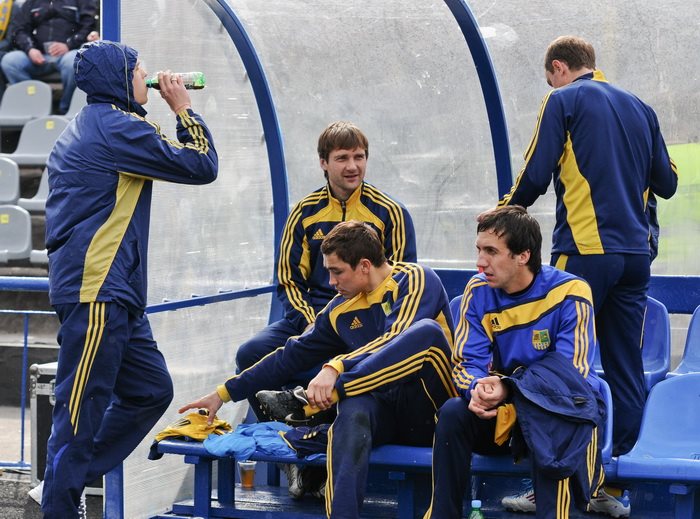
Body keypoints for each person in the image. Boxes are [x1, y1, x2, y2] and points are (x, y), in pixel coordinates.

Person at [38, 40, 218, 518]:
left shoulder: (100, 124)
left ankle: (64, 479)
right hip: (98, 290)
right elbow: (202, 164)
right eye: (140, 71)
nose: (148, 78)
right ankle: (59, 499)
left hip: (116, 291)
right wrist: (183, 109)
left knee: (150, 389)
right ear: (119, 79)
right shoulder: (116, 127)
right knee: (78, 416)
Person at [181, 221, 456, 519]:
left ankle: (310, 404)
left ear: (364, 266)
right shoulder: (340, 308)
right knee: (354, 407)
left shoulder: (415, 279)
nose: (331, 281)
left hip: (433, 412)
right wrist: (223, 393)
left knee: (425, 332)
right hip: (386, 414)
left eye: (337, 271)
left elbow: (395, 339)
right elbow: (290, 355)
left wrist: (335, 368)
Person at [498, 35, 678, 459]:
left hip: (582, 253)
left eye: (550, 80)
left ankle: (557, 464)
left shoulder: (562, 100)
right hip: (635, 257)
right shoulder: (641, 107)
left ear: (559, 68)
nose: (551, 87)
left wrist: (502, 212)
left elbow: (536, 173)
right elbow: (668, 182)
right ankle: (619, 465)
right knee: (625, 363)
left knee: (550, 357)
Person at [424, 206, 629, 519]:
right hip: (508, 411)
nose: (480, 262)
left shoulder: (571, 292)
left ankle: (572, 502)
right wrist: (478, 388)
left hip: (559, 409)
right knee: (453, 412)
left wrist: (508, 387)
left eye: (492, 251)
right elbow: (466, 364)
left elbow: (568, 377)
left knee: (556, 418)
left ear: (523, 255)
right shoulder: (478, 290)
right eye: (479, 250)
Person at [236, 121, 417, 420]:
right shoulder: (304, 212)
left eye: (359, 157)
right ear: (323, 162)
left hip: (366, 315)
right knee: (250, 353)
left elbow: (399, 279)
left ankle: (317, 430)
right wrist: (309, 321)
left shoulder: (390, 212)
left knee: (346, 359)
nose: (353, 166)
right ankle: (281, 433)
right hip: (314, 312)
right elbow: (289, 280)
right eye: (342, 158)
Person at [1, 0, 97, 114]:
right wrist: (30, 49)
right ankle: (37, 104)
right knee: (10, 61)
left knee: (75, 61)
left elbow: (89, 26)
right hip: (38, 54)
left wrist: (69, 45)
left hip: (68, 53)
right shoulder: (32, 2)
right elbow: (19, 29)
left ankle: (65, 109)